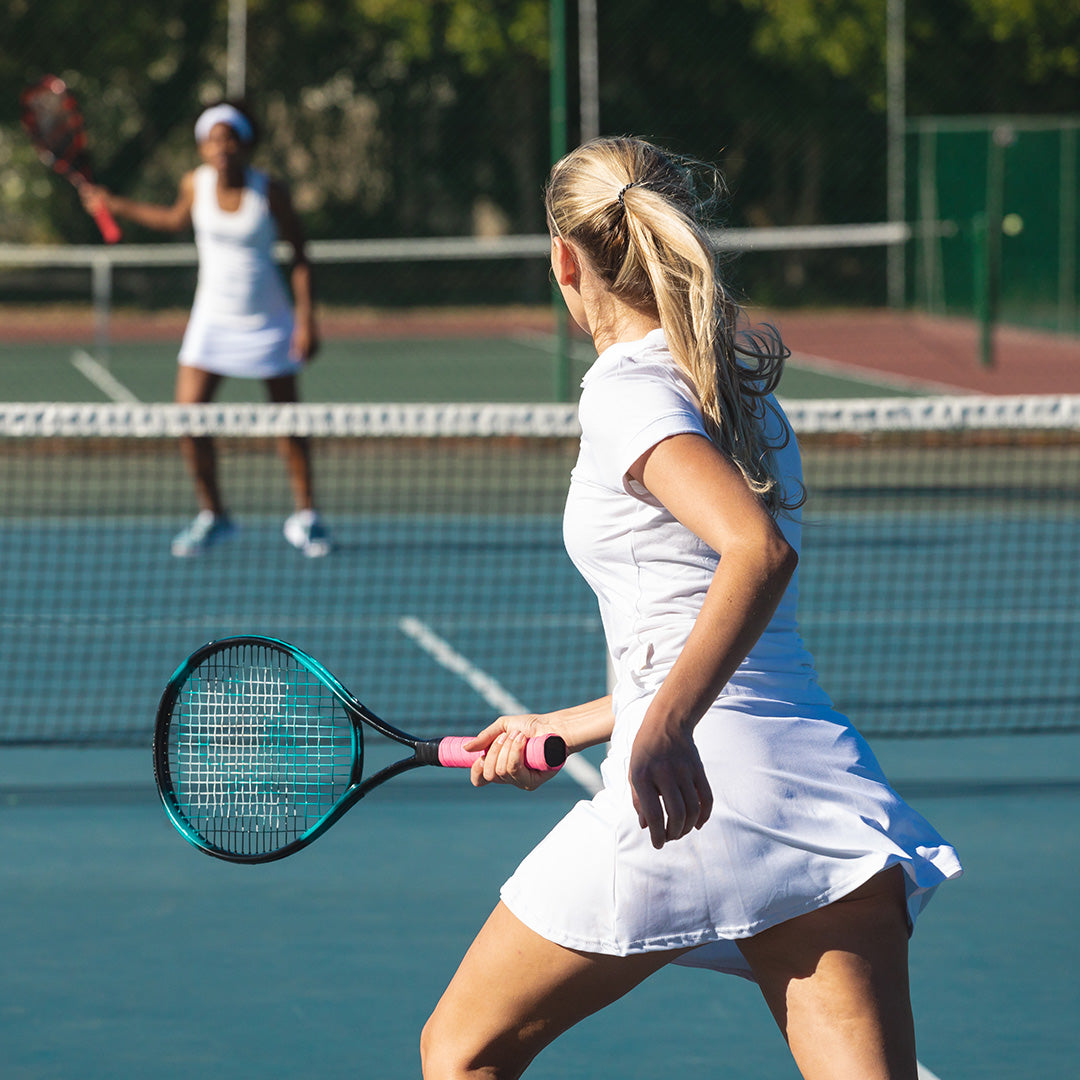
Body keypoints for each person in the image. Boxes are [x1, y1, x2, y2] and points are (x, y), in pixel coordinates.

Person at [420, 137, 962, 1080]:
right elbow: (717, 625)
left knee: (459, 1054)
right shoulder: (738, 392)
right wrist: (580, 723)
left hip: (686, 791)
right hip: (812, 790)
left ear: (562, 257)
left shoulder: (630, 393)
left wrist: (660, 729)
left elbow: (756, 549)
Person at [80, 101, 331, 558]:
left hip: (270, 321)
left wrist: (306, 318)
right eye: (213, 139)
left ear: (245, 143)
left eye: (229, 137)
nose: (221, 147)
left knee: (289, 422)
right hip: (212, 321)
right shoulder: (194, 184)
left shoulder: (269, 190)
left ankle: (307, 517)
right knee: (188, 417)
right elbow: (174, 219)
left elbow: (300, 253)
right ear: (202, 146)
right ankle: (214, 515)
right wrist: (114, 204)